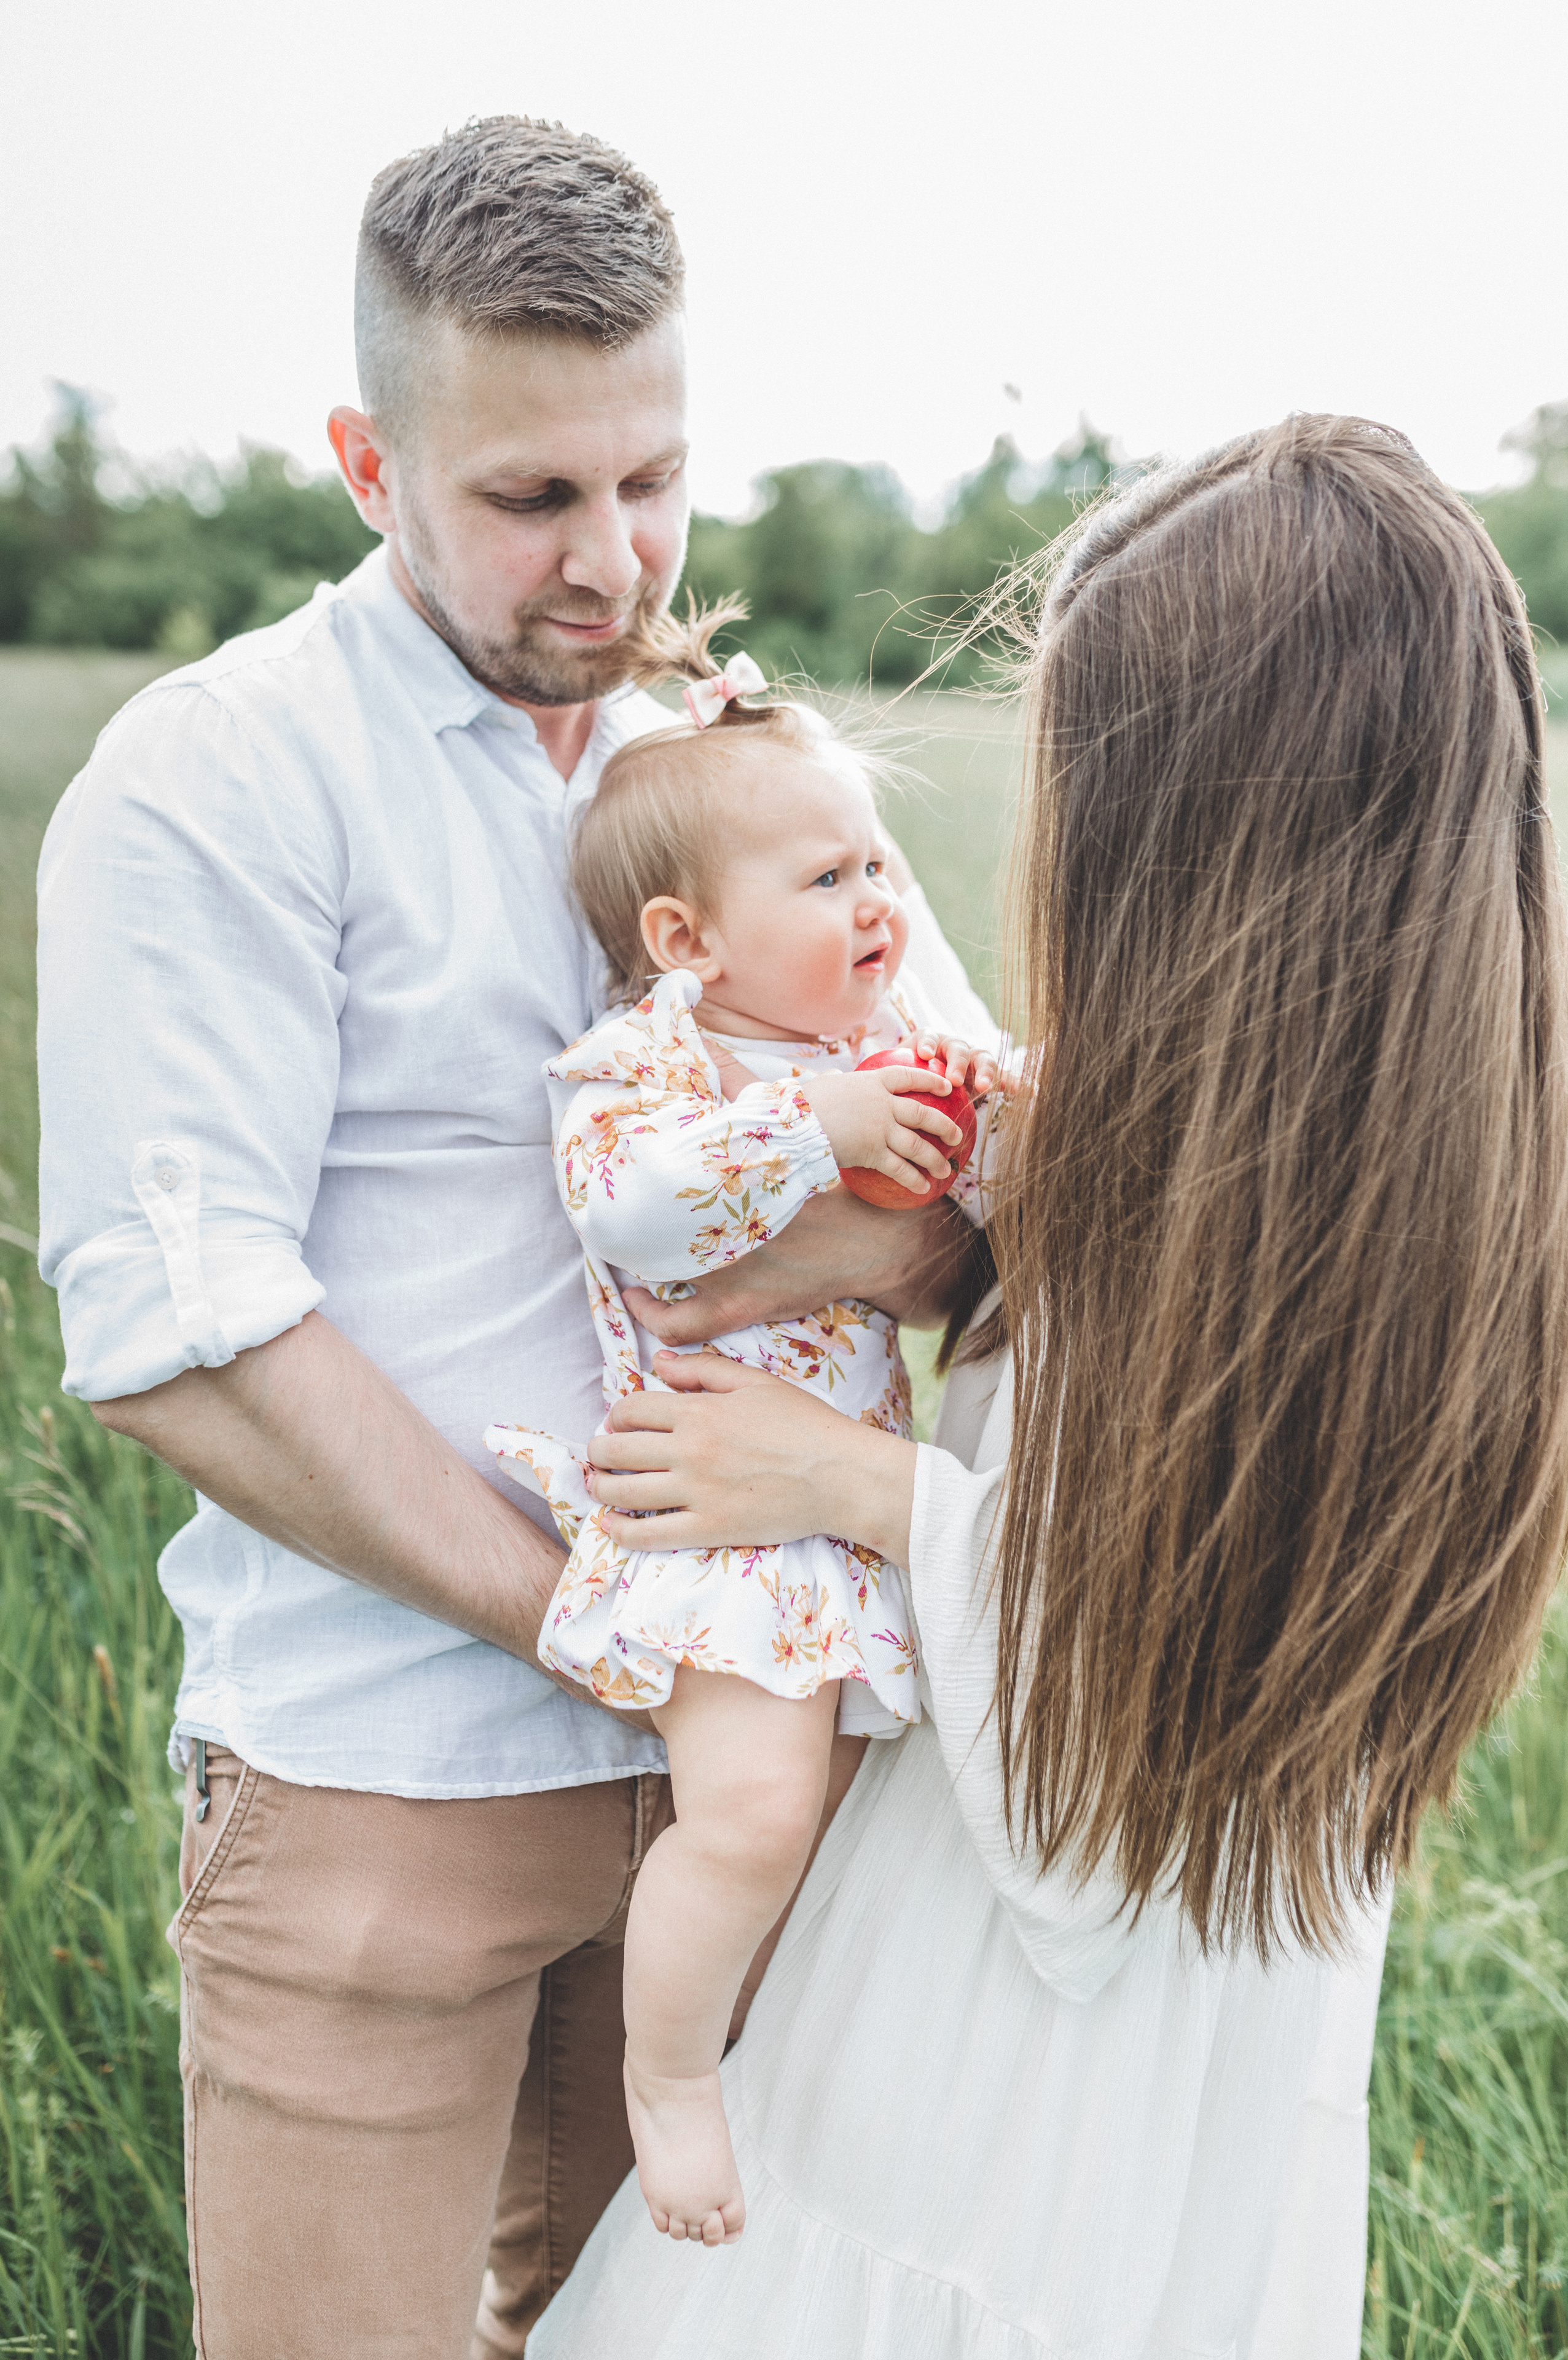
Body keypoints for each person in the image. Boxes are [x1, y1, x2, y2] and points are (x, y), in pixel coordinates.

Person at [34, 119, 981, 2360]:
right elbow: (181, 1331)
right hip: (387, 1786)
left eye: (653, 478)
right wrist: (595, 1617)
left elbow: (971, 1197)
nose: (615, 557)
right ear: (369, 458)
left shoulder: (748, 776)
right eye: (532, 496)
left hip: (751, 1797)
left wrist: (856, 1266)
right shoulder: (216, 779)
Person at [528, 417, 1568, 2356]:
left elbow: (1107, 1816)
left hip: (1016, 2088)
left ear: (1205, 851)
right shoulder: (1429, 1165)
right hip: (1185, 2088)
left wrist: (858, 1484)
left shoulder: (1278, 1234)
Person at [481, 603, 998, 2244]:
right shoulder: (651, 1066)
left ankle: (762, 2070)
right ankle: (670, 2076)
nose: (881, 899)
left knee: (831, 1842)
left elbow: (996, 1171)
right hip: (721, 1528)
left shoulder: (878, 1048)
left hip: (827, 1524)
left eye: (877, 863)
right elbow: (635, 1213)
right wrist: (814, 1120)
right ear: (686, 937)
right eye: (829, 878)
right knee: (757, 1813)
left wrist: (996, 1122)